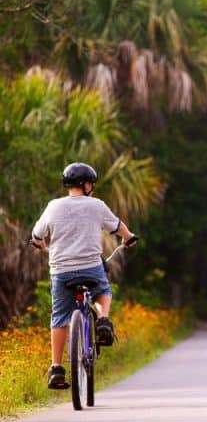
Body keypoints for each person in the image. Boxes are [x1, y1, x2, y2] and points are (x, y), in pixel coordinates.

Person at [31, 162, 138, 390]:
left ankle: (57, 369)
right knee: (103, 291)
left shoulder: (53, 206)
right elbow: (119, 227)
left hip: (61, 270)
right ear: (86, 184)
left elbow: (37, 234)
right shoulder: (96, 206)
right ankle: (103, 320)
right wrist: (128, 237)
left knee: (59, 317)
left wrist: (39, 243)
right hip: (91, 266)